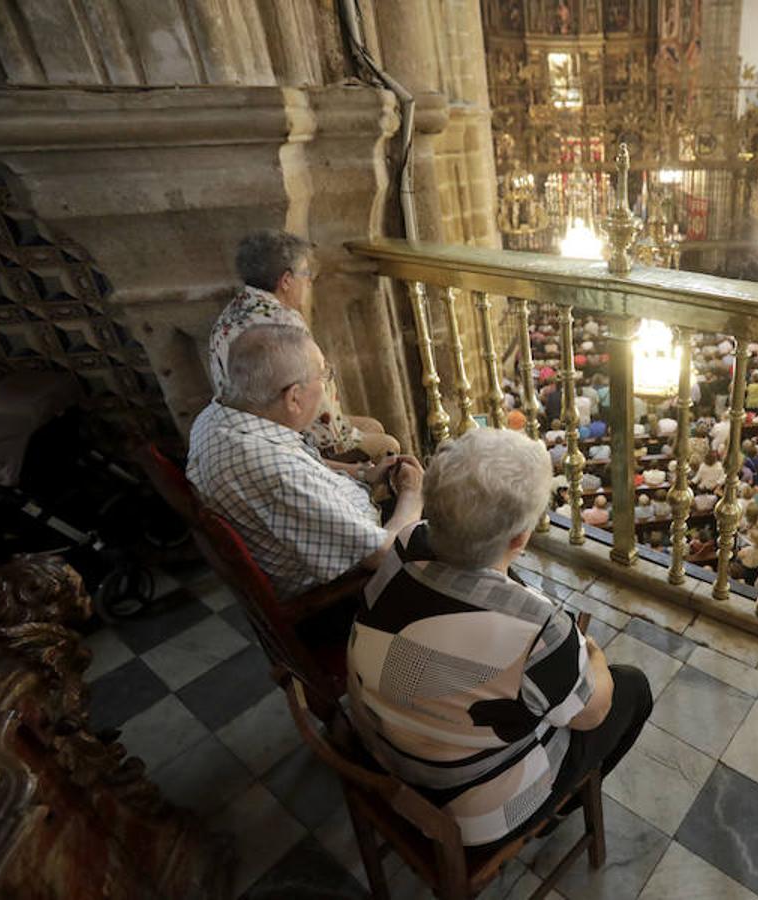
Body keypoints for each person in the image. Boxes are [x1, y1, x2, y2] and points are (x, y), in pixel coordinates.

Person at [346, 428, 653, 849]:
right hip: (466, 816)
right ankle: (553, 811)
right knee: (632, 686)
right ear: (520, 538)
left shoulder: (404, 543)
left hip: (381, 755)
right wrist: (592, 654)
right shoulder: (543, 631)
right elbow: (593, 713)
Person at [188, 325, 422, 598]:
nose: (326, 384)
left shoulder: (216, 416)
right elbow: (381, 556)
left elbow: (300, 461)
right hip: (342, 593)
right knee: (446, 527)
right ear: (294, 397)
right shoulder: (279, 473)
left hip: (327, 530)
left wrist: (361, 474)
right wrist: (413, 495)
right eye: (323, 375)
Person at [210, 230, 397, 461]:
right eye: (305, 273)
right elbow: (318, 414)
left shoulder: (229, 315)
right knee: (388, 444)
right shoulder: (285, 323)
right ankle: (361, 494)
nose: (309, 281)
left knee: (373, 426)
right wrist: (343, 440)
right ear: (286, 281)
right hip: (289, 441)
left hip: (249, 433)